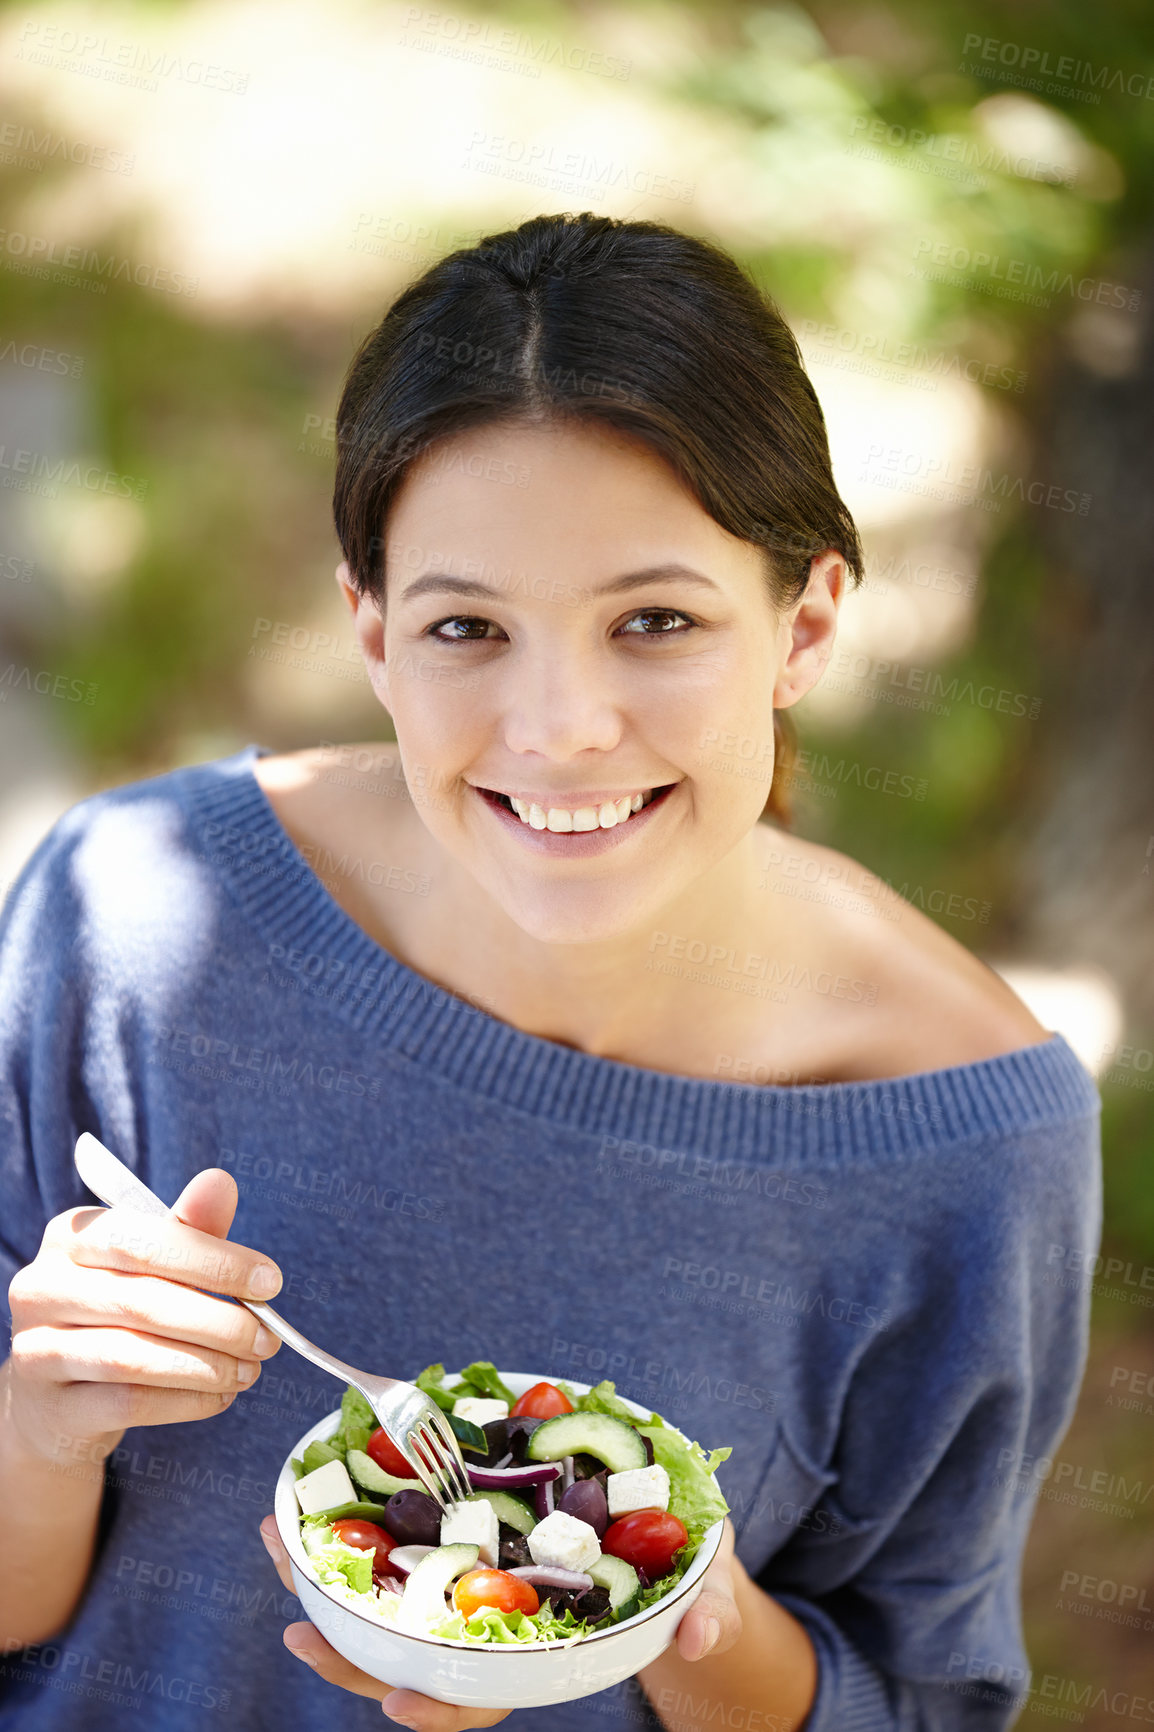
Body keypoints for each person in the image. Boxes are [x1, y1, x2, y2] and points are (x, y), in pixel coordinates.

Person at [0, 212, 1100, 1732]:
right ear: (371, 634)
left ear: (806, 626)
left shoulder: (963, 1144)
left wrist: (670, 1616)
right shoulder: (121, 916)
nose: (558, 725)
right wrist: (36, 1434)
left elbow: (911, 1705)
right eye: (468, 627)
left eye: (654, 621)